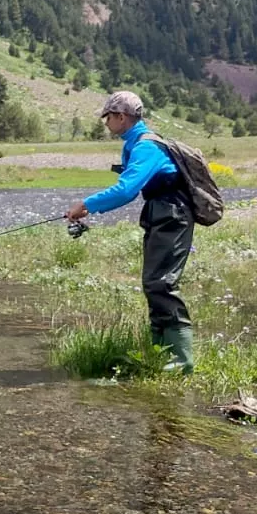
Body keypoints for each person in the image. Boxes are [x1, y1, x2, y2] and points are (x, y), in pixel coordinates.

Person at [64, 90, 195, 372]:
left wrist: (86, 205)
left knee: (162, 283)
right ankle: (160, 351)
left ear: (121, 117)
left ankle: (182, 361)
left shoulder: (146, 147)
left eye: (108, 117)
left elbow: (126, 190)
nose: (106, 123)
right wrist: (89, 207)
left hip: (172, 215)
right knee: (153, 282)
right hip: (161, 213)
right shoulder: (135, 143)